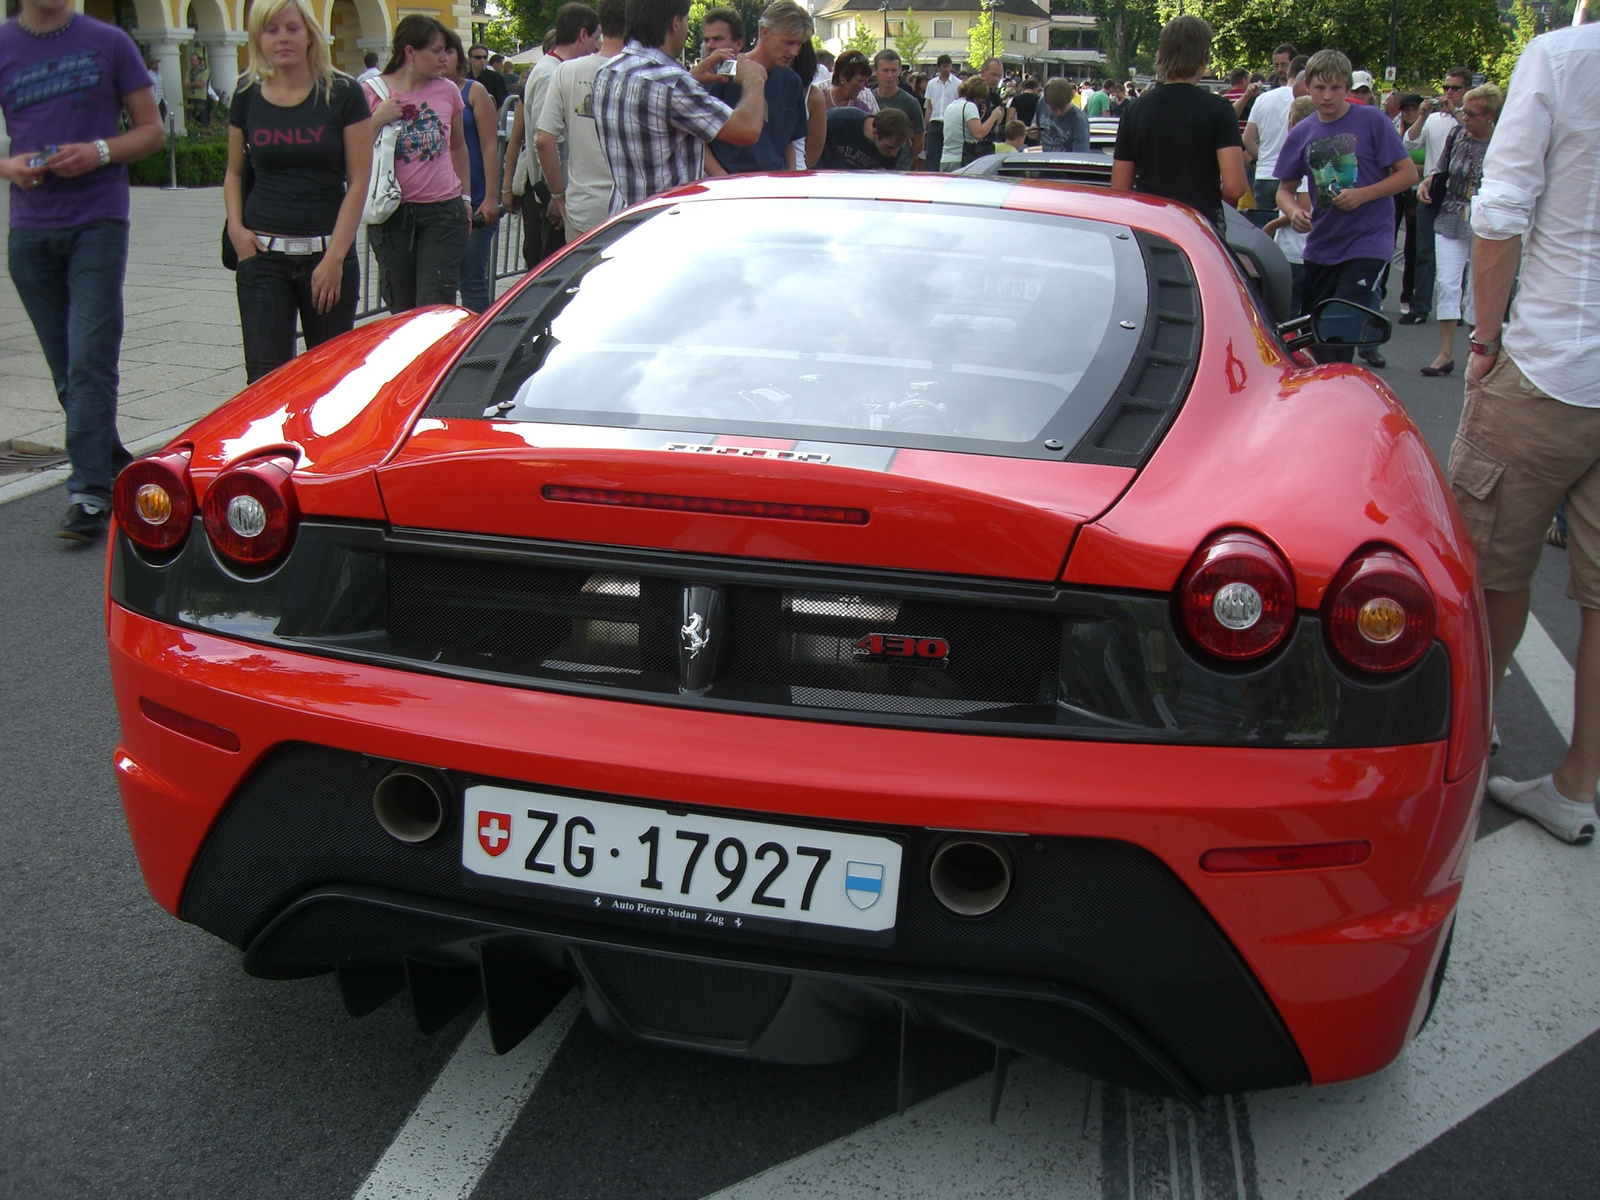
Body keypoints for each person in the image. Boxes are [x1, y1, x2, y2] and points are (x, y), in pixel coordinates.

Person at [1452, 18, 1600, 845]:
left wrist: (1483, 339)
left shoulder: (1564, 58)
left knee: (1489, 559)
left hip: (1551, 361)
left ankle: (1478, 733)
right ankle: (1577, 783)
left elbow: (1501, 214)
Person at [0, 0, 163, 542]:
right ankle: (112, 460)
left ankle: (87, 493)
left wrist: (98, 151)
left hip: (97, 222)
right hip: (29, 231)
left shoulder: (109, 41)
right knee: (69, 369)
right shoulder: (4, 43)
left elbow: (150, 130)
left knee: (91, 359)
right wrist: (8, 166)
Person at [225, 0, 372, 382]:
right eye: (271, 30)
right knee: (264, 383)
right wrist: (237, 231)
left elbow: (358, 180)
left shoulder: (343, 93)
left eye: (292, 28)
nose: (283, 39)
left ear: (310, 33)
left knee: (331, 380)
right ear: (258, 38)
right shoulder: (246, 92)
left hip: (326, 256)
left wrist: (336, 257)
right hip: (262, 257)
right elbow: (234, 172)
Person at [1273, 48, 1416, 363]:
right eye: (1320, 88)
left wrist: (1364, 194)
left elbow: (1408, 174)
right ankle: (1322, 395)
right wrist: (1294, 211)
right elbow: (1283, 190)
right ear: (1307, 87)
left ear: (1347, 88)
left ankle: (1341, 392)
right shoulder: (1303, 132)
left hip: (1367, 241)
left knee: (1341, 328)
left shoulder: (1372, 120)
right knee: (1318, 335)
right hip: (1322, 244)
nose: (1328, 96)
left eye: (1336, 88)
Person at [591, 0, 767, 214]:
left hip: (624, 219)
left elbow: (652, 109)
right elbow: (747, 129)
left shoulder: (607, 72)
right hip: (667, 221)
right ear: (675, 23)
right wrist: (754, 80)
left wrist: (691, 78)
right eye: (686, 21)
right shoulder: (671, 83)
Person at [361, 15, 472, 313]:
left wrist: (466, 197)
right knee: (402, 307)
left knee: (435, 307)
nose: (444, 58)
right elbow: (350, 150)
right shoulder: (372, 92)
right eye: (435, 51)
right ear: (410, 52)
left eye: (446, 50)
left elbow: (458, 146)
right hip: (393, 214)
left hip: (443, 212)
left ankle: (438, 360)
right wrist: (377, 120)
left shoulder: (447, 90)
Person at [1111, 16, 1246, 232]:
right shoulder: (1219, 110)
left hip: (1151, 227)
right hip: (1200, 227)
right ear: (1204, 58)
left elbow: (1119, 189)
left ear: (1161, 54)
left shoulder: (1135, 110)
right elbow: (1235, 187)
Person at [504, 3, 600, 270]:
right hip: (551, 198)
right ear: (582, 34)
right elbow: (546, 141)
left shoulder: (549, 68)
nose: (597, 46)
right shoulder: (552, 73)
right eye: (596, 38)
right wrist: (557, 196)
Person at [1418, 83, 1500, 375]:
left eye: (1472, 114)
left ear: (1490, 116)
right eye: (1464, 112)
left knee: (1479, 289)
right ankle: (1445, 354)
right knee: (1448, 282)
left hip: (1485, 217)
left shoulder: (1501, 141)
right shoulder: (1456, 135)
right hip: (1452, 212)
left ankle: (1475, 354)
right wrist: (1429, 182)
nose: (1465, 118)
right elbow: (1441, 167)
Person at [536, 0, 624, 240]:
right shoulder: (643, 72)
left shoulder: (566, 71)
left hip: (583, 208)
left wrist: (558, 196)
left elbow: (544, 140)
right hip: (632, 209)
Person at [705, 1, 813, 174]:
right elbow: (699, 138)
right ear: (765, 32)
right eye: (788, 43)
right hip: (730, 184)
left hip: (775, 184)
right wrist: (722, 179)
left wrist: (790, 180)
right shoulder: (724, 72)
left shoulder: (792, 81)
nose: (793, 52)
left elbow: (788, 142)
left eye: (799, 45)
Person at [1400, 67, 1471, 325]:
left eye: (1455, 88)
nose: (1448, 93)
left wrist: (1458, 114)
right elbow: (1410, 142)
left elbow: (1477, 138)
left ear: (1466, 91)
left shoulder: (1468, 118)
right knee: (1424, 252)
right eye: (1446, 88)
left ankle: (1454, 308)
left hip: (1460, 194)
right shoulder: (1434, 119)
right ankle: (1420, 307)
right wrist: (1422, 115)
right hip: (1431, 189)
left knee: (1457, 254)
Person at [442, 28, 501, 313]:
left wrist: (491, 197)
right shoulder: (428, 93)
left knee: (472, 279)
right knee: (442, 282)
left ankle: (482, 349)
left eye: (448, 51)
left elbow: (490, 144)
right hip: (441, 199)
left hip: (475, 196)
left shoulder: (473, 91)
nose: (442, 58)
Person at [1263, 95, 1315, 316]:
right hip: (1308, 249)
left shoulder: (1301, 156)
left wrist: (1274, 224)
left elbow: (1303, 205)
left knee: (1289, 313)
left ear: (1292, 122)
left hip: (1295, 249)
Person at [1243, 55, 1307, 228]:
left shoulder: (1264, 98)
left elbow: (1247, 138)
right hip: (1298, 176)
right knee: (1297, 227)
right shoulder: (1308, 100)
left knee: (1266, 229)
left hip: (1265, 174)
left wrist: (1261, 159)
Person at [868, 49, 923, 171]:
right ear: (875, 71)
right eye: (885, 70)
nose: (890, 76)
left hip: (899, 168)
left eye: (894, 70)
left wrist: (905, 160)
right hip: (872, 166)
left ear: (900, 71)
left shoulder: (910, 103)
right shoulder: (868, 99)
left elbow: (919, 142)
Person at [816, 105, 909, 170]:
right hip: (823, 175)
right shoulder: (843, 119)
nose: (894, 154)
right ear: (875, 132)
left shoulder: (894, 144)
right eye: (889, 147)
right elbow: (813, 130)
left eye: (898, 148)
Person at [939, 75, 1003, 169]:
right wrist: (993, 117)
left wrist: (978, 118)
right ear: (978, 96)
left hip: (946, 159)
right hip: (961, 159)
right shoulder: (969, 106)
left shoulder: (952, 106)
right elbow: (978, 134)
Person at [923, 53, 960, 169]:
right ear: (939, 67)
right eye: (944, 67)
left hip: (950, 122)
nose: (947, 69)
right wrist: (926, 126)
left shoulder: (958, 84)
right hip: (935, 121)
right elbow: (929, 106)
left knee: (948, 154)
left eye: (949, 66)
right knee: (932, 154)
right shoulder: (931, 84)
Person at [1034, 76, 1089, 152]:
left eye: (1062, 107)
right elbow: (1039, 131)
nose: (1058, 112)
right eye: (1054, 108)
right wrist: (1034, 133)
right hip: (1047, 161)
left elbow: (1080, 157)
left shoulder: (1079, 121)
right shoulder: (1041, 103)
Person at [972, 57, 1007, 157]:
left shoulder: (995, 98)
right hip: (973, 147)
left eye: (999, 76)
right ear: (983, 72)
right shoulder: (972, 94)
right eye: (993, 75)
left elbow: (997, 126)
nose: (996, 79)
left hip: (989, 145)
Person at [467, 43, 507, 107]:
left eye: (485, 57)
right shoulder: (465, 78)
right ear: (470, 59)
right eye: (478, 57)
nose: (482, 60)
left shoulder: (496, 78)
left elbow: (502, 104)